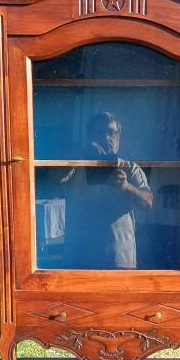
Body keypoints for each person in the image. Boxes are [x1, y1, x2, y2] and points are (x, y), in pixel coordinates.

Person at [61, 111, 153, 269]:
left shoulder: (129, 168)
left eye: (111, 132)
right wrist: (77, 155)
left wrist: (127, 187)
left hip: (118, 259)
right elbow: (55, 179)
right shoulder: (74, 165)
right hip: (79, 257)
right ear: (89, 136)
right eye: (98, 132)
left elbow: (148, 202)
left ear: (119, 137)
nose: (105, 137)